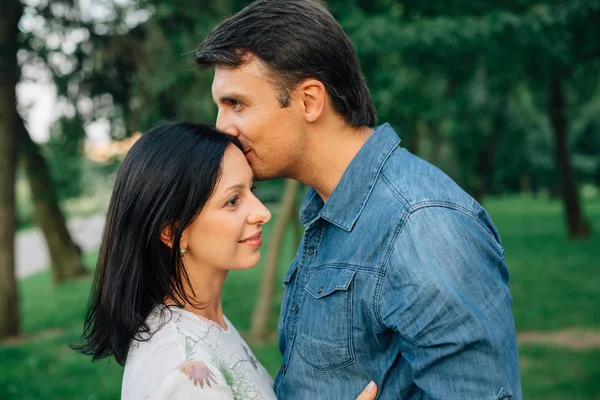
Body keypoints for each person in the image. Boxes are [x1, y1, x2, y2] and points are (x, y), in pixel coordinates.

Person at [194, 1, 522, 399]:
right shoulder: (329, 207)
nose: (222, 128)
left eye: (236, 104)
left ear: (309, 101)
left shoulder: (423, 225)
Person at [74, 122, 377, 400]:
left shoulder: (205, 324)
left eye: (251, 190)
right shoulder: (185, 373)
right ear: (172, 231)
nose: (262, 212)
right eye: (233, 201)